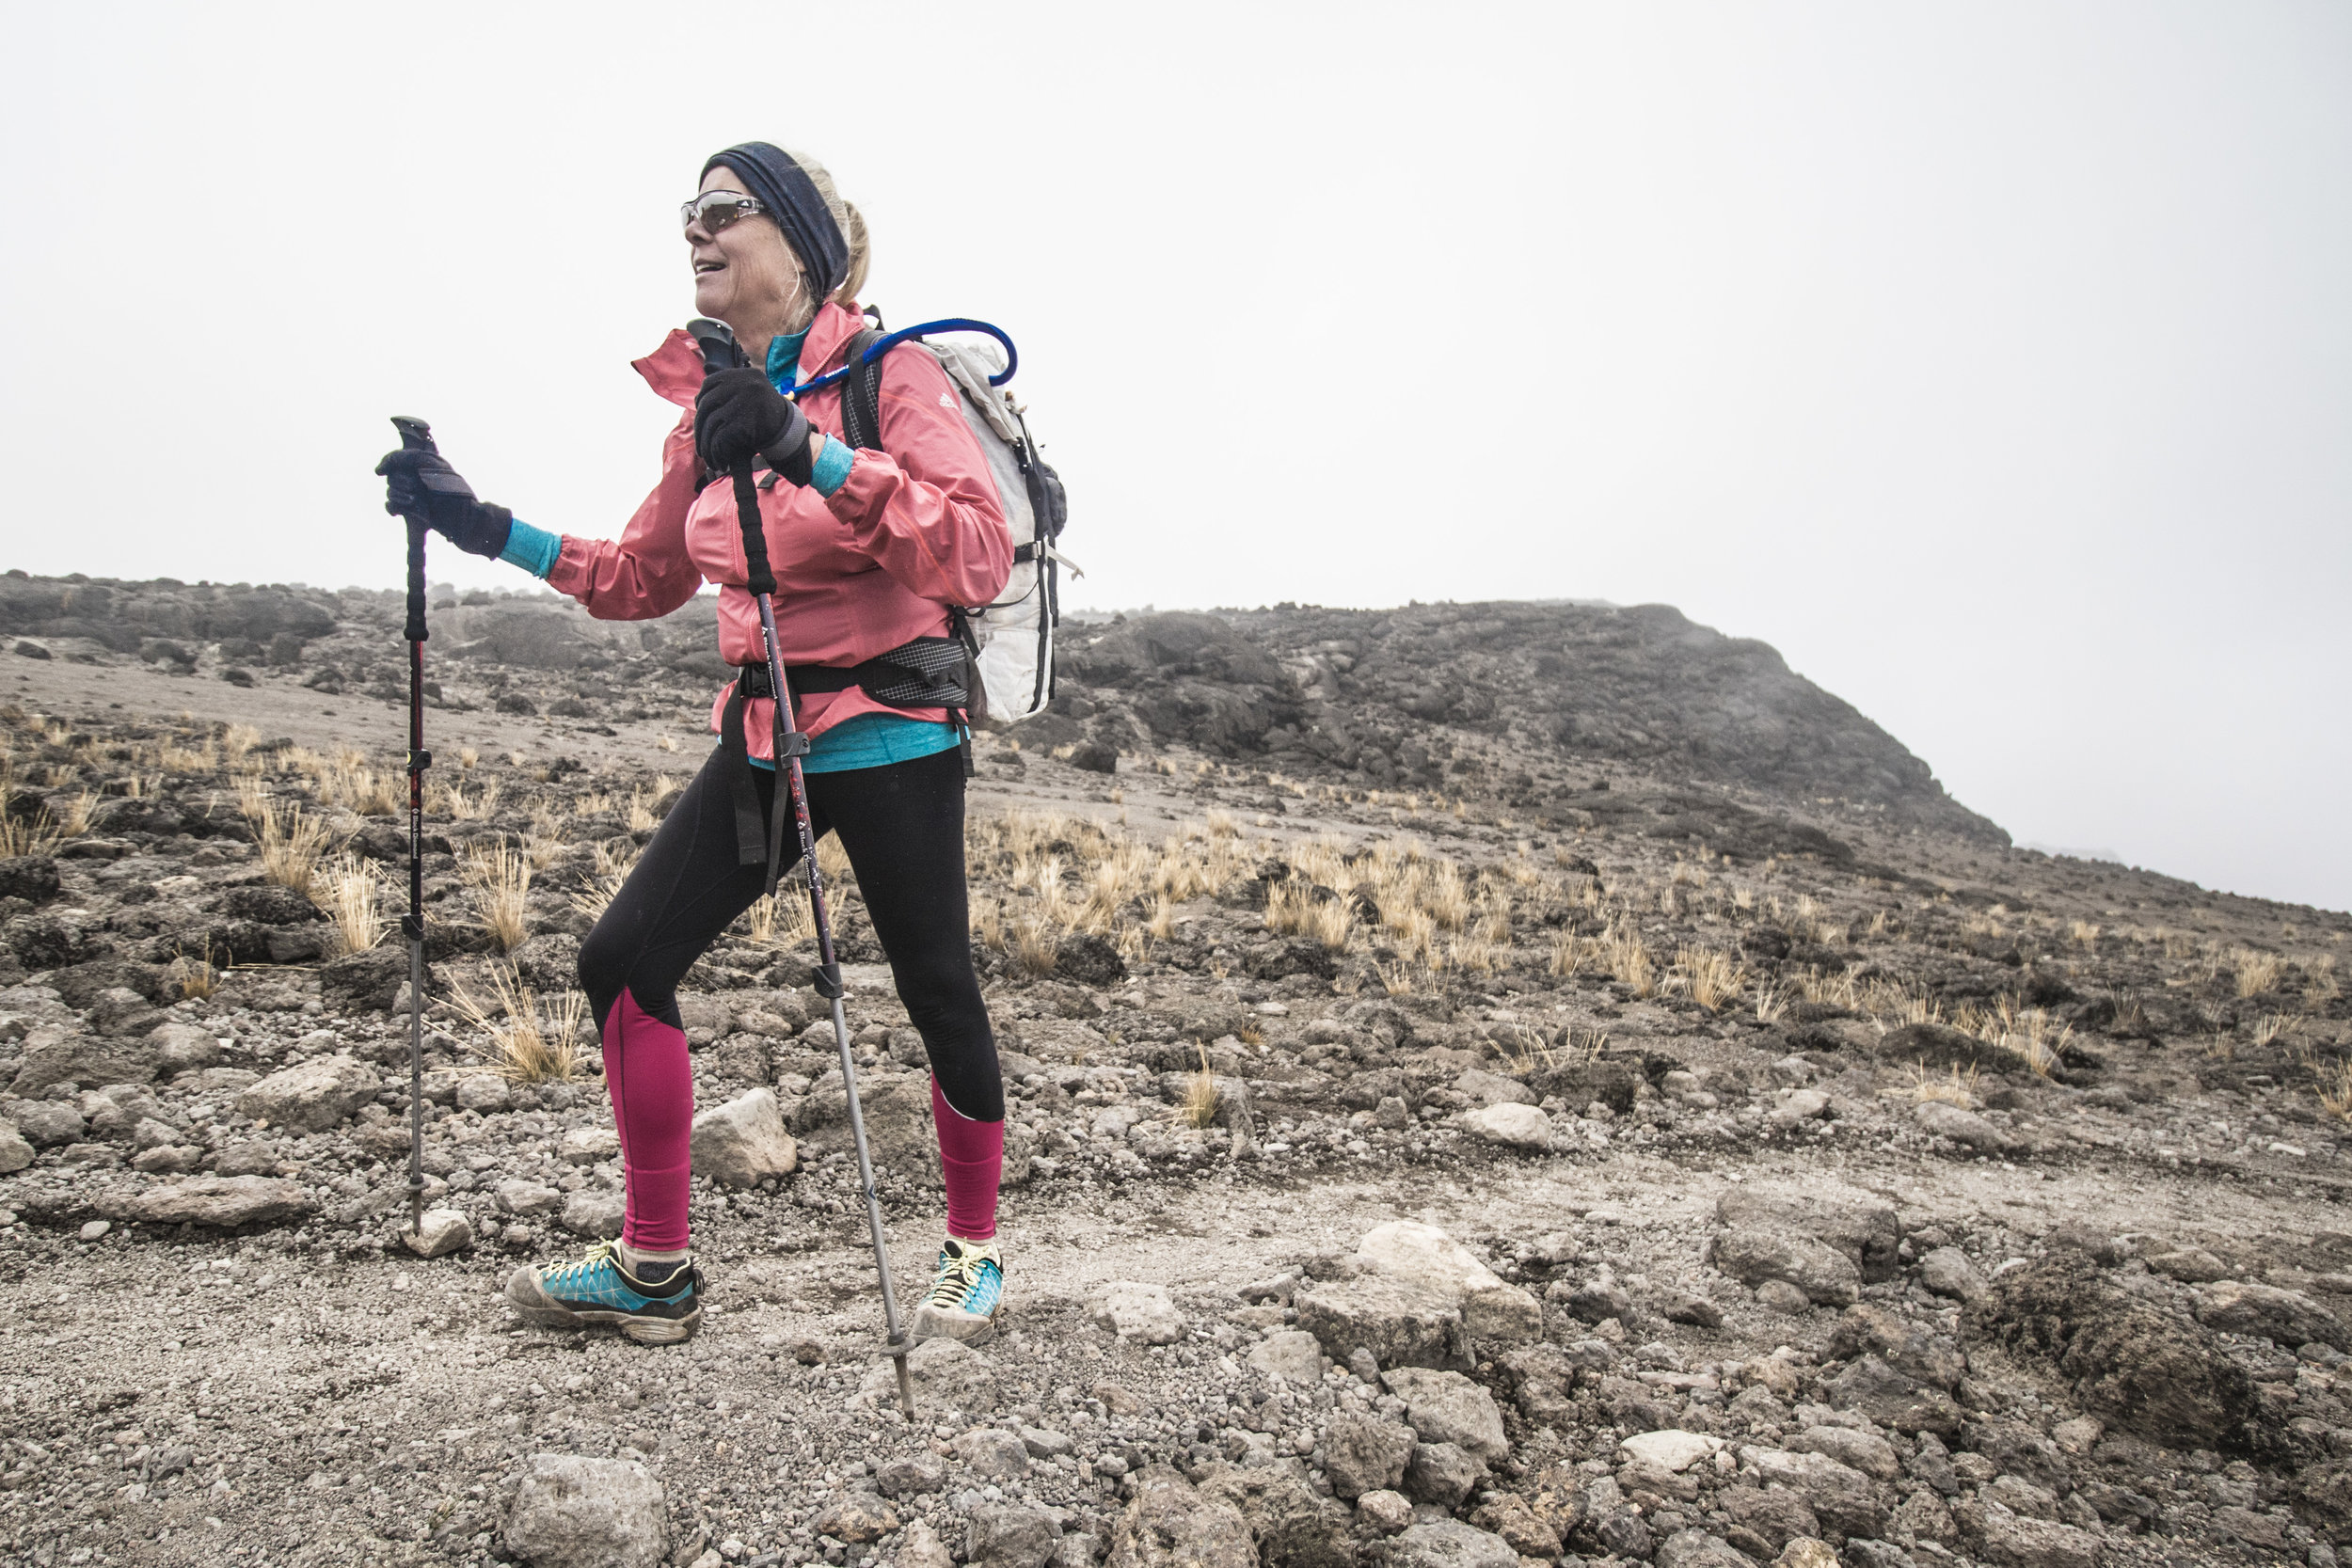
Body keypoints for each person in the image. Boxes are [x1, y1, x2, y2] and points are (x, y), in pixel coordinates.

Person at [376, 143, 1013, 1347]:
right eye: (689, 212)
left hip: (891, 726)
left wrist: (807, 450)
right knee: (621, 960)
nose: (696, 231)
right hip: (766, 733)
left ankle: (972, 1253)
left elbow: (974, 552)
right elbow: (639, 578)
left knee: (935, 985)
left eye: (726, 210)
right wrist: (481, 524)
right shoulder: (707, 406)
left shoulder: (896, 377)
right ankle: (655, 1266)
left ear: (803, 245)